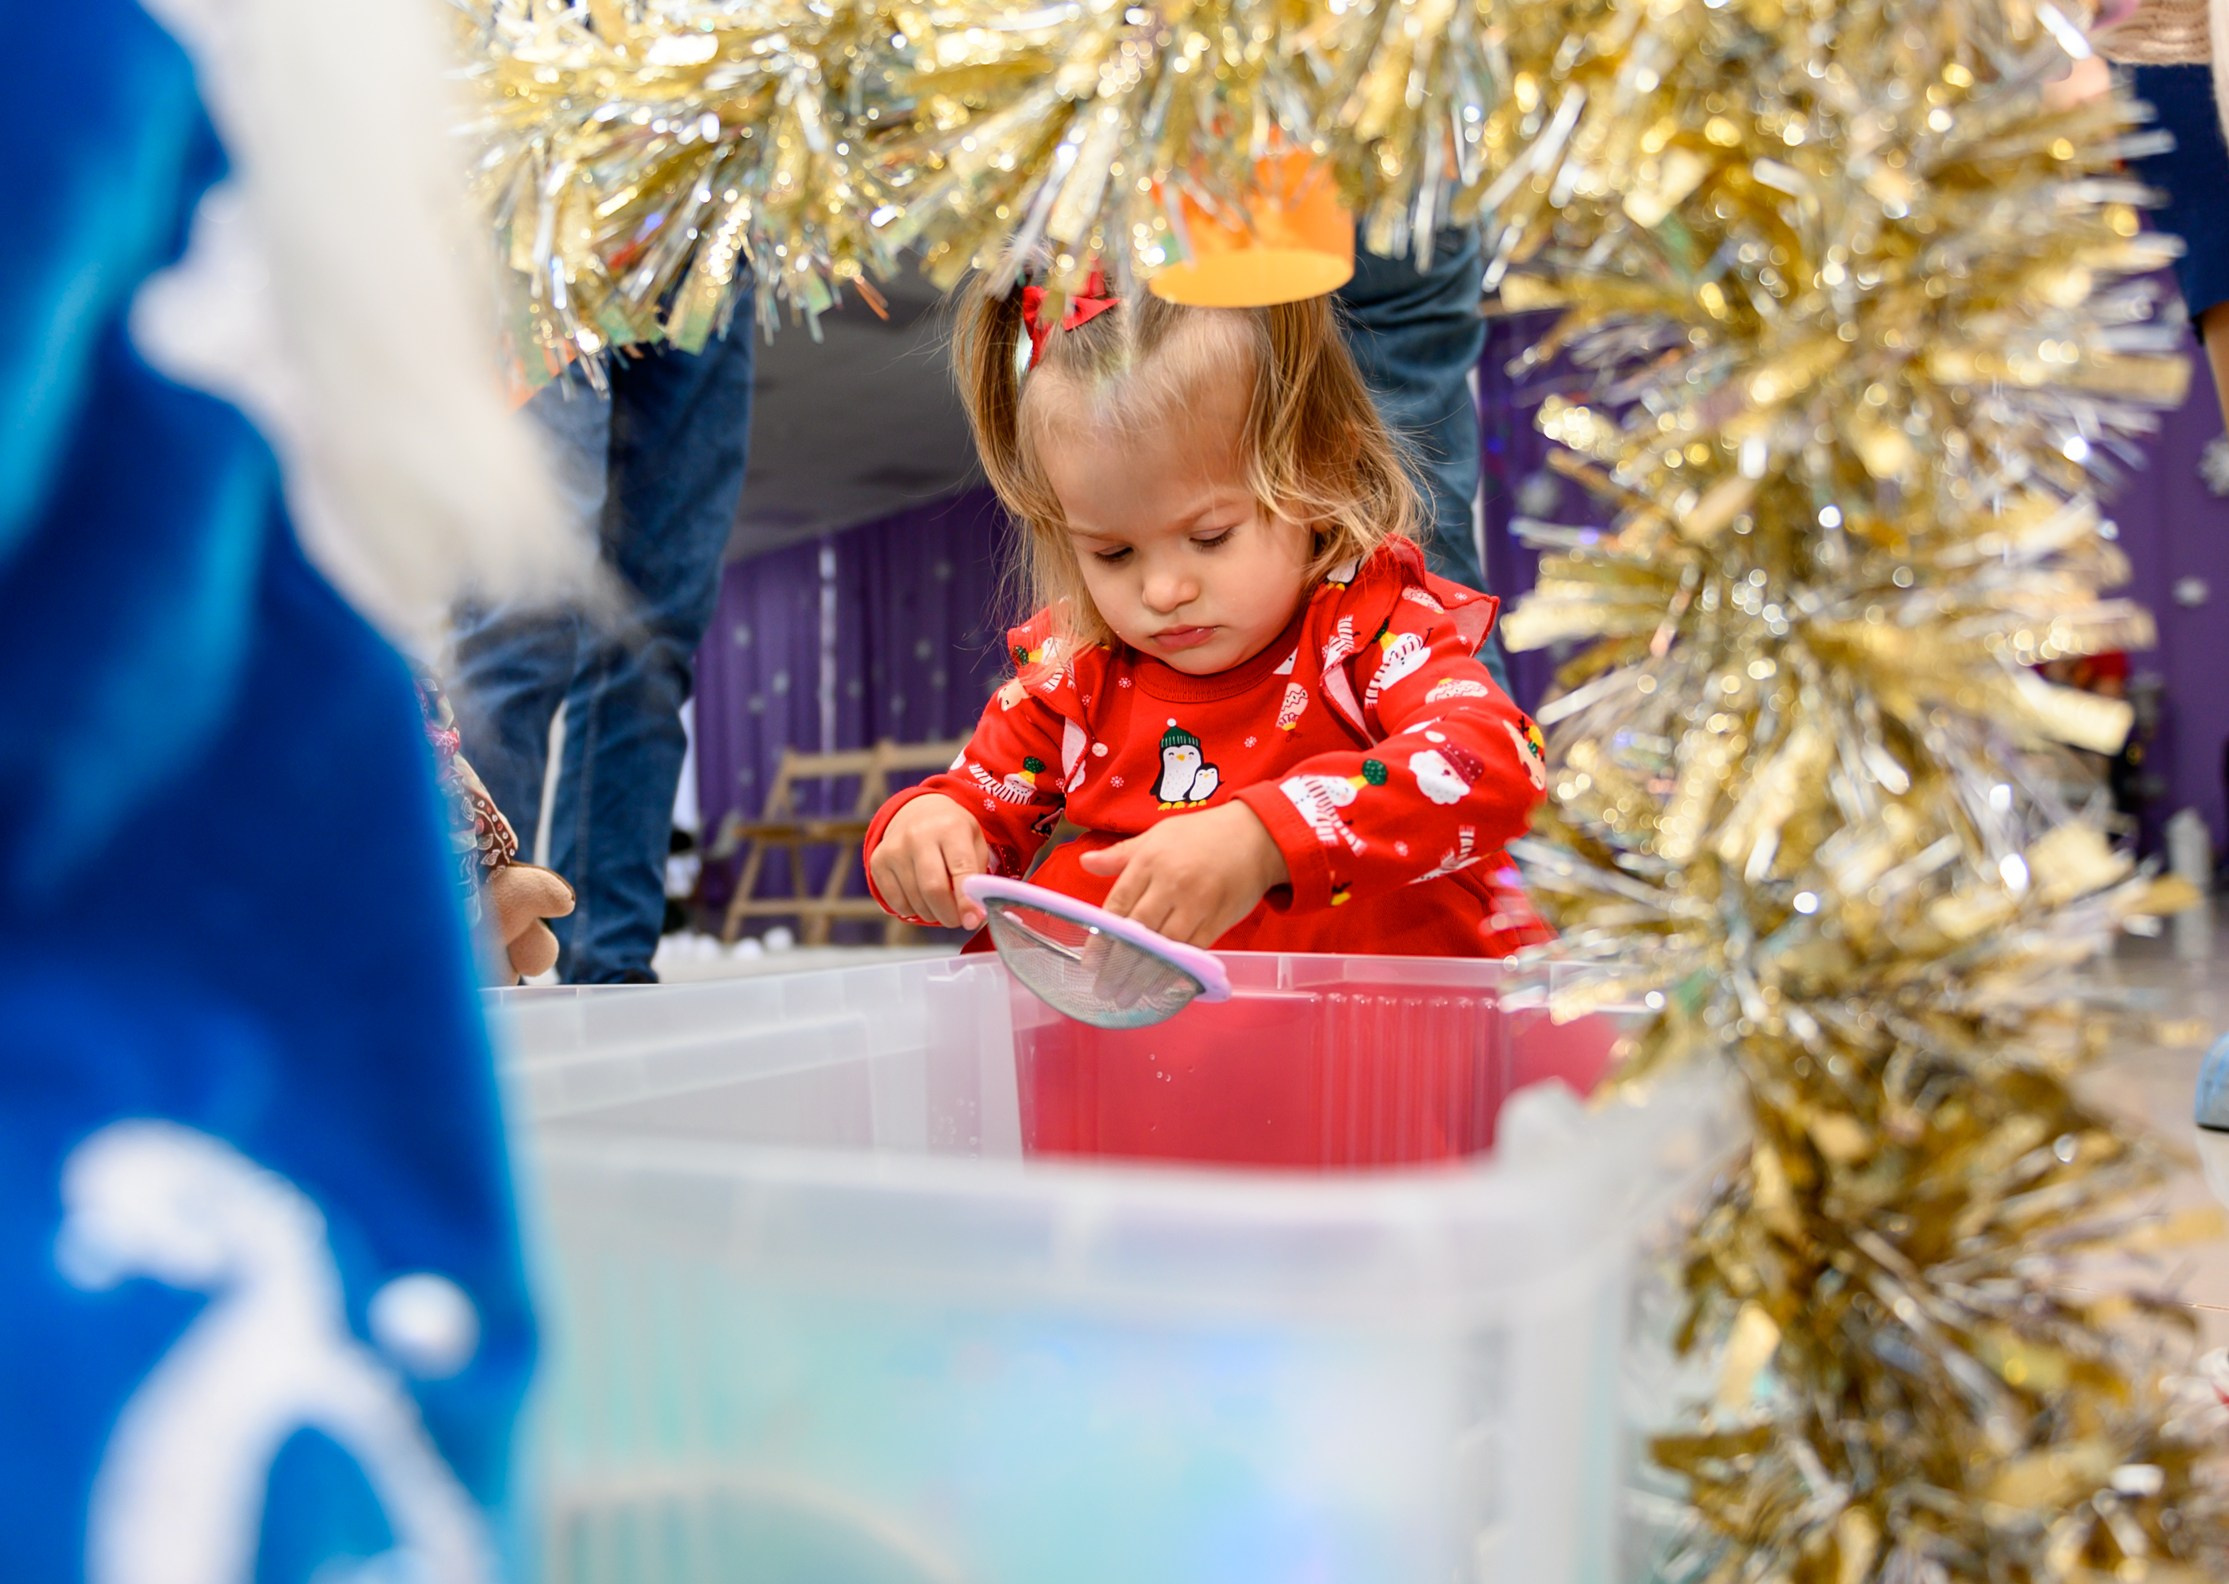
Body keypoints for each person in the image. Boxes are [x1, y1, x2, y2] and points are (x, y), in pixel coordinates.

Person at [863, 273, 1550, 955]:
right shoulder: (1073, 674)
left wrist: (1265, 839)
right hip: (1156, 1041)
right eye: (1113, 553)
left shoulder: (1371, 626)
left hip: (1378, 1024)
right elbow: (976, 802)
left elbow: (1492, 760)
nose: (1161, 591)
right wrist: (931, 827)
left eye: (1210, 537)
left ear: (1320, 474)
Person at [446, 321, 754, 983]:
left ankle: (612, 974)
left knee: (652, 644)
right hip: (547, 234)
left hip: (716, 243)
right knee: (520, 610)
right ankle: (467, 970)